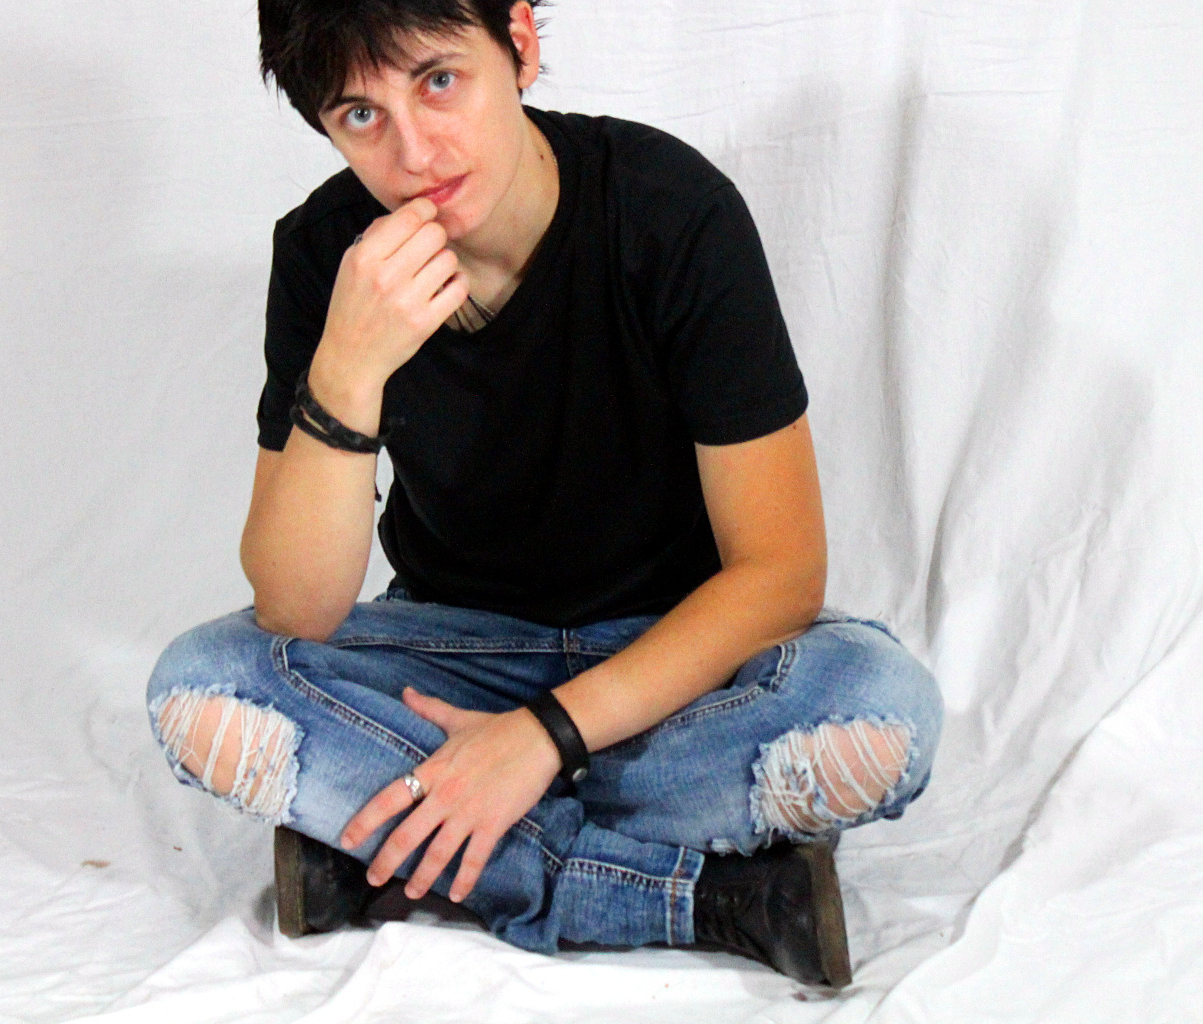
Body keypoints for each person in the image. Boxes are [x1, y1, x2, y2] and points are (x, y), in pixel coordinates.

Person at [145, 0, 942, 988]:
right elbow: (295, 608)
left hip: (669, 662)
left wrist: (543, 738)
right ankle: (699, 895)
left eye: (440, 81)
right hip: (452, 653)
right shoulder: (327, 255)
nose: (414, 152)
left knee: (878, 707)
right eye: (361, 115)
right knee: (203, 686)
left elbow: (780, 573)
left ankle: (403, 838)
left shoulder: (671, 210)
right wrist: (346, 371)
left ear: (519, 43)